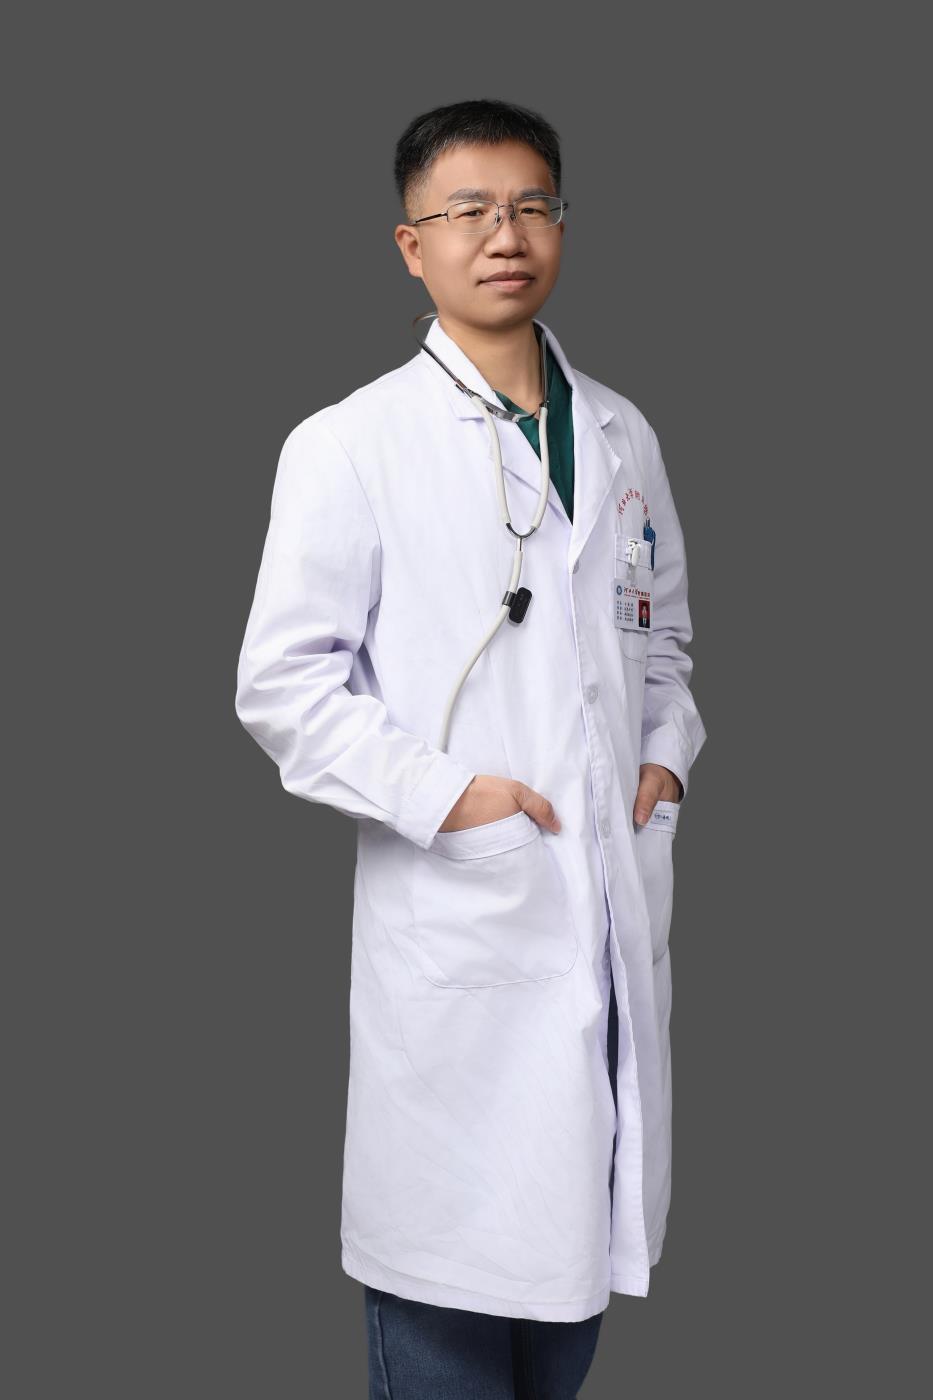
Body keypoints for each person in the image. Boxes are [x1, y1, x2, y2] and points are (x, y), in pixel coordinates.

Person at [235, 97, 707, 1399]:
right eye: (469, 211)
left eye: (532, 206)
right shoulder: (350, 444)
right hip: (463, 926)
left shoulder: (619, 434)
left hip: (603, 922)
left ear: (561, 226)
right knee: (449, 1309)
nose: (506, 235)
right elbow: (283, 684)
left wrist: (664, 760)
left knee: (568, 1314)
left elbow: (662, 644)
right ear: (412, 245)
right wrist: (447, 799)